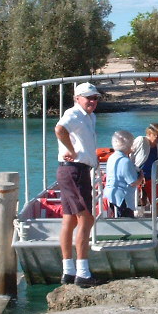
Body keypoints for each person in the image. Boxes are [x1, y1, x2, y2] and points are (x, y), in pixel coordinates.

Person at [54, 82, 105, 287]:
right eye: (88, 97)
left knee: (69, 219)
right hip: (74, 170)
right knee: (86, 218)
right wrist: (71, 150)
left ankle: (68, 271)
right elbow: (59, 129)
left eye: (95, 98)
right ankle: (83, 273)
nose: (92, 101)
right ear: (77, 98)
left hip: (76, 170)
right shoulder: (73, 114)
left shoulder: (90, 117)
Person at [103, 129, 140, 218]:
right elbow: (133, 182)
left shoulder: (112, 157)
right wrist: (141, 177)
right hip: (122, 197)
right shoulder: (125, 161)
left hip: (109, 195)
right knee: (126, 221)